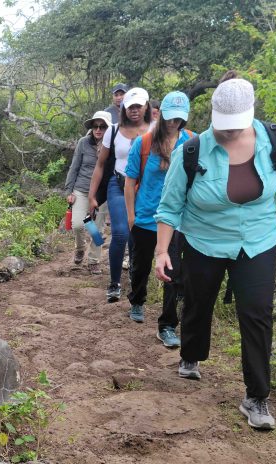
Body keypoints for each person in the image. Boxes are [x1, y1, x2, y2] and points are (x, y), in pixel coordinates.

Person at [154, 75, 276, 431]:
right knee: (199, 301)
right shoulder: (192, 151)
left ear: (250, 114)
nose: (228, 133)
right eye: (221, 126)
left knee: (257, 313)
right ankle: (191, 355)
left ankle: (256, 396)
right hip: (204, 240)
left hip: (257, 241)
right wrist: (162, 251)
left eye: (235, 127)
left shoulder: (273, 141)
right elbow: (170, 207)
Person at [123, 91, 194, 347]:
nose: (174, 122)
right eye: (170, 117)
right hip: (146, 216)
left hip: (178, 220)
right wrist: (131, 216)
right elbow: (130, 182)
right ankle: (137, 300)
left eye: (179, 118)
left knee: (173, 274)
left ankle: (167, 326)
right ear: (161, 114)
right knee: (140, 266)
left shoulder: (193, 143)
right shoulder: (143, 143)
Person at [89, 87, 152, 302]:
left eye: (138, 106)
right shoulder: (113, 130)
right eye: (130, 106)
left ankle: (138, 280)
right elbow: (100, 164)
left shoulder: (155, 129)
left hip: (145, 189)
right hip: (118, 184)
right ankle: (114, 282)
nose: (134, 110)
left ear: (146, 107)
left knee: (140, 235)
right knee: (120, 233)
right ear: (123, 108)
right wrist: (92, 195)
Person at [63, 110, 111, 271]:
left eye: (102, 126)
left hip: (101, 192)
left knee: (96, 229)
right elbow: (74, 166)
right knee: (78, 224)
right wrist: (69, 190)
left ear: (108, 128)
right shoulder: (83, 142)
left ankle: (93, 261)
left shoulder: (113, 145)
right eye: (95, 126)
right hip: (81, 189)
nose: (98, 129)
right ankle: (80, 248)